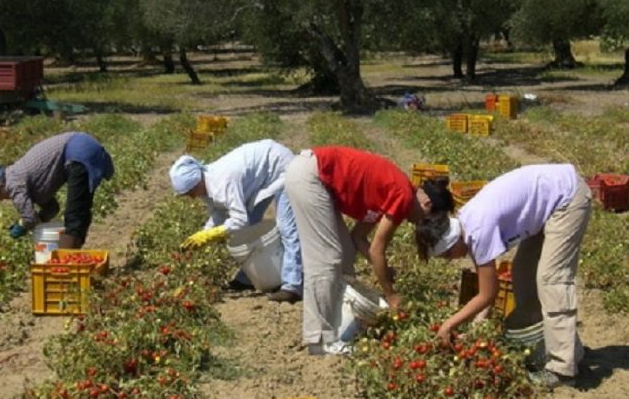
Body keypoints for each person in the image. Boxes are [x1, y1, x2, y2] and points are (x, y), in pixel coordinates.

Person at [415, 163, 591, 388]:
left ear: (452, 242)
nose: (451, 259)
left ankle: (563, 368)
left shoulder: (478, 231)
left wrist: (449, 325)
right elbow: (486, 289)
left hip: (566, 197)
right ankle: (556, 345)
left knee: (551, 279)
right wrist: (478, 325)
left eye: (448, 255)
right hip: (548, 203)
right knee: (523, 272)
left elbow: (488, 294)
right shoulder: (467, 224)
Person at [284, 146, 453, 355]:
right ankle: (320, 339)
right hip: (311, 176)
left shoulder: (396, 191)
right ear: (427, 204)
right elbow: (376, 250)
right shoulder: (403, 195)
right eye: (423, 221)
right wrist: (391, 295)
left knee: (345, 253)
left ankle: (338, 325)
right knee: (326, 259)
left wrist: (384, 269)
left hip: (315, 178)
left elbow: (358, 238)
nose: (417, 224)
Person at [169, 139, 303, 304]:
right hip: (259, 178)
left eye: (190, 192)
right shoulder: (206, 187)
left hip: (279, 166)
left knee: (286, 227)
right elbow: (219, 214)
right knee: (249, 229)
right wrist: (203, 234)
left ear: (198, 182)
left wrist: (214, 233)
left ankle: (293, 286)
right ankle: (248, 278)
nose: (191, 197)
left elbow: (239, 219)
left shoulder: (224, 180)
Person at [0, 132, 113, 248]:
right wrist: (40, 218)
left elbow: (29, 218)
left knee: (74, 215)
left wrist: (22, 226)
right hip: (82, 145)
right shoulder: (21, 178)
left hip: (78, 152)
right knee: (80, 210)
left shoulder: (13, 184)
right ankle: (74, 259)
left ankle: (66, 265)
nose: (1, 199)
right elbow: (52, 208)